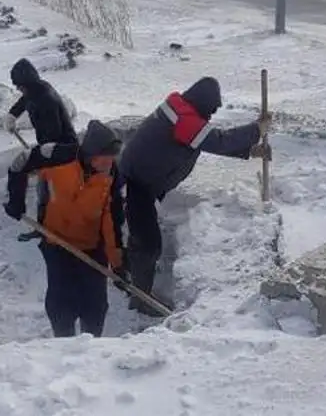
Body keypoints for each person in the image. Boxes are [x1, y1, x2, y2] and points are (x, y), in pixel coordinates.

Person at [117, 76, 273, 316]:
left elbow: (201, 142)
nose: (210, 116)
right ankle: (140, 297)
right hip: (135, 183)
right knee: (148, 244)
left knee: (142, 238)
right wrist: (255, 131)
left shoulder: (182, 111)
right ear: (204, 103)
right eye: (211, 110)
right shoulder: (182, 118)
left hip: (143, 179)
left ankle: (131, 273)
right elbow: (217, 140)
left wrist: (250, 151)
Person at [2, 120, 128, 338]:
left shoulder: (112, 177)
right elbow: (20, 163)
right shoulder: (57, 156)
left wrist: (117, 263)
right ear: (91, 153)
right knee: (61, 301)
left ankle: (91, 346)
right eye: (105, 158)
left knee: (95, 305)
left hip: (92, 247)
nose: (110, 163)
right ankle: (63, 345)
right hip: (56, 241)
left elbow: (112, 221)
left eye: (113, 158)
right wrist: (16, 200)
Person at [0, 58, 78, 240]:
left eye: (20, 86)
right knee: (43, 189)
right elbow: (23, 101)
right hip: (51, 145)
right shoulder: (36, 89)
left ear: (28, 83)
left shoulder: (46, 100)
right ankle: (43, 227)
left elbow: (54, 133)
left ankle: (15, 208)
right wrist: (12, 115)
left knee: (18, 166)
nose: (19, 89)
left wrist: (39, 156)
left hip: (62, 148)